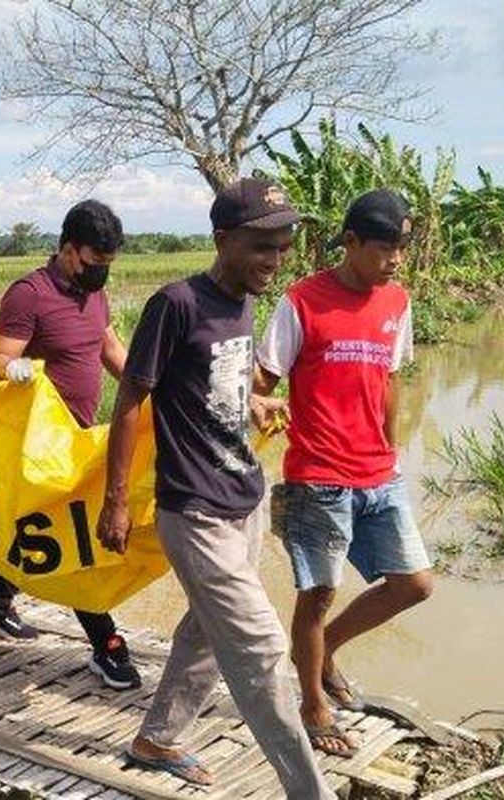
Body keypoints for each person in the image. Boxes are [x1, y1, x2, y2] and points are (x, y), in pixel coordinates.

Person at [97, 178, 332, 797]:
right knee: (261, 647)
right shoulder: (176, 304)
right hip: (195, 511)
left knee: (205, 629)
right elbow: (131, 398)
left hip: (245, 497)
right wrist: (117, 500)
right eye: (261, 246)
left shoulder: (247, 304)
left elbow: (211, 383)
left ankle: (158, 737)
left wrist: (250, 402)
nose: (274, 261)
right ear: (222, 239)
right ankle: (311, 792)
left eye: (283, 247)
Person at [254, 189, 434, 756]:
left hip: (379, 472)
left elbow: (390, 377)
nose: (397, 259)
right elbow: (262, 382)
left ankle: (324, 649)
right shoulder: (302, 301)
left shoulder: (397, 302)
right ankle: (312, 702)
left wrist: (390, 444)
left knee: (414, 584)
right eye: (387, 248)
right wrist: (257, 417)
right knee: (319, 592)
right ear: (351, 243)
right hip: (319, 476)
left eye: (403, 248)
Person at [0, 199, 141, 690]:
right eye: (92, 264)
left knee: (38, 531)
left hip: (81, 438)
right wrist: (11, 368)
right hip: (40, 449)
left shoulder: (95, 295)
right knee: (74, 542)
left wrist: (150, 389)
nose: (99, 274)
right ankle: (107, 647)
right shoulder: (29, 294)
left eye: (107, 266)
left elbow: (109, 350)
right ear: (67, 250)